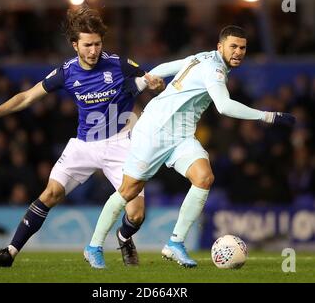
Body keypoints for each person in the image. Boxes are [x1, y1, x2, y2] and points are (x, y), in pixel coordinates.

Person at [0, 7, 165, 269]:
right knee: (51, 193)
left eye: (98, 44)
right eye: (88, 45)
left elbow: (153, 82)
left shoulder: (119, 64)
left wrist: (158, 86)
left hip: (121, 144)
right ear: (74, 45)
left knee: (136, 215)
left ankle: (124, 237)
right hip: (83, 145)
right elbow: (26, 97)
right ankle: (10, 252)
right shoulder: (66, 73)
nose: (94, 50)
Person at [85, 25, 296, 268]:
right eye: (233, 46)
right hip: (155, 129)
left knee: (204, 177)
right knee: (128, 191)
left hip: (182, 135)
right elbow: (224, 106)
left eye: (242, 48)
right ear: (221, 47)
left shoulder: (201, 57)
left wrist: (146, 79)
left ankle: (175, 243)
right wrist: (268, 116)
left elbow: (167, 68)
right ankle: (93, 246)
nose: (238, 52)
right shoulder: (215, 68)